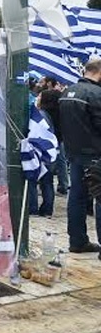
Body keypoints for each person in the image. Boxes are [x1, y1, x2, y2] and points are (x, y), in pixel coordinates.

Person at [59, 58, 101, 254]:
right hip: (95, 154)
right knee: (99, 197)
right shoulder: (96, 94)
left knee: (76, 197)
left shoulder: (67, 92)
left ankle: (77, 241)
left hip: (74, 154)